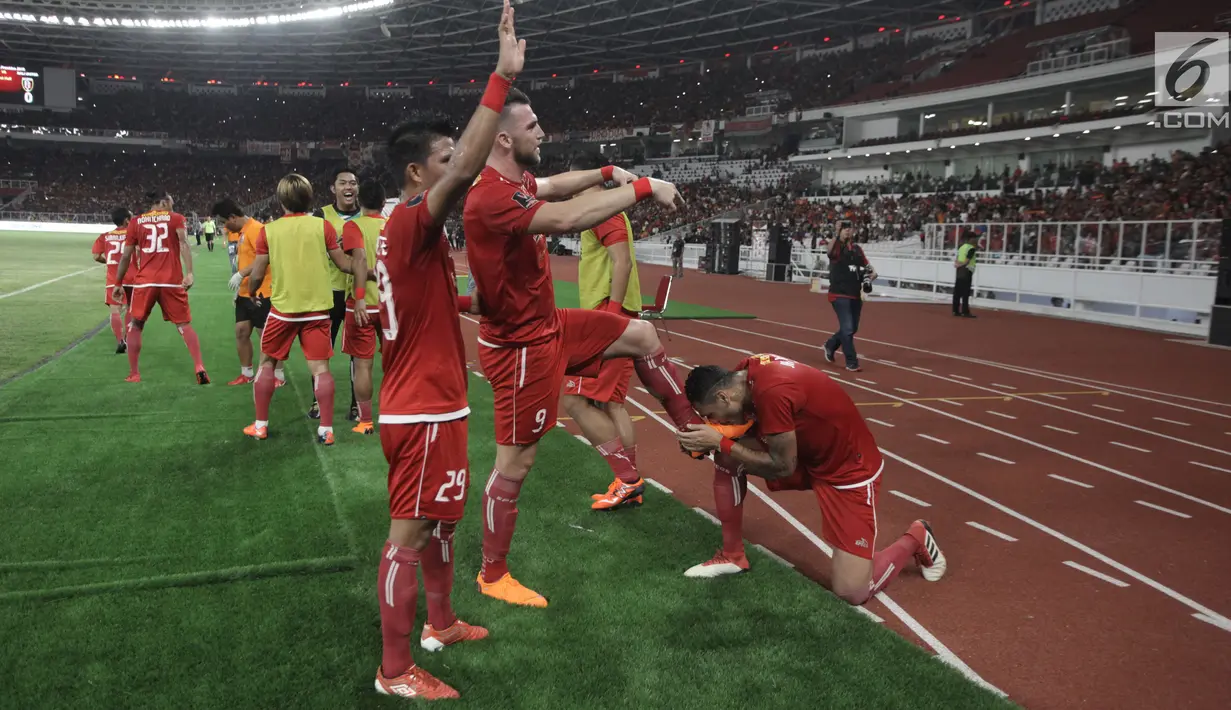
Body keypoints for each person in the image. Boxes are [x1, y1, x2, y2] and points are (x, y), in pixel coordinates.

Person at [464, 86, 701, 609]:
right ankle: (492, 572)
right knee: (515, 464)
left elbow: (554, 186)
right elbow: (567, 218)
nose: (543, 132)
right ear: (503, 138)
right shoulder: (489, 197)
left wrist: (604, 172)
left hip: (547, 325)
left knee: (642, 335)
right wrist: (641, 187)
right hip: (519, 349)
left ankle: (691, 430)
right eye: (533, 127)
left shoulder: (517, 179)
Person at [370, 2, 523, 699]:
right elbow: (464, 166)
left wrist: (465, 304)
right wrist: (499, 77)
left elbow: (412, 303)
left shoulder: (400, 229)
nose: (452, 166)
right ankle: (394, 669)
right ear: (413, 174)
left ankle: (439, 622)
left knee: (438, 527)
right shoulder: (409, 219)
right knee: (408, 536)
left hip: (433, 400)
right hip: (422, 408)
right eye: (437, 159)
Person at [676, 354, 946, 605]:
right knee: (726, 455)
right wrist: (708, 442)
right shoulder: (744, 375)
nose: (710, 420)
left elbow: (782, 466)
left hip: (847, 471)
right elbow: (750, 427)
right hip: (807, 452)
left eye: (709, 415)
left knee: (853, 591)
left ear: (723, 397)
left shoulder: (772, 391)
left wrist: (720, 442)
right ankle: (732, 555)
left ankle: (916, 538)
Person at [558, 153, 646, 510]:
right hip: (615, 313)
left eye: (575, 178)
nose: (572, 188)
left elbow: (621, 261)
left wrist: (609, 316)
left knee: (574, 399)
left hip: (609, 315)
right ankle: (628, 481)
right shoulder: (602, 209)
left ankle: (628, 479)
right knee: (612, 403)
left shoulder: (603, 208)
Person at [242, 174, 355, 446]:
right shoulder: (323, 227)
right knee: (320, 369)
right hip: (317, 310)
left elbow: (257, 274)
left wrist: (252, 291)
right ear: (309, 198)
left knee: (267, 363)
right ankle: (326, 429)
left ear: (281, 201)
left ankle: (260, 425)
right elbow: (344, 264)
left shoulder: (268, 231)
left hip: (283, 310)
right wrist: (368, 267)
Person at [113, 190, 209, 384]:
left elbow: (126, 256)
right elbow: (183, 244)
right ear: (163, 202)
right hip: (171, 280)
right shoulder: (176, 219)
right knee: (183, 325)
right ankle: (199, 366)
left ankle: (134, 373)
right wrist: (189, 272)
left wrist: (118, 283)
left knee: (136, 325)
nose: (173, 202)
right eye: (171, 199)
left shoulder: (135, 222)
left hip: (145, 281)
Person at [213, 198, 285, 388]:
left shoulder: (257, 229)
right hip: (246, 292)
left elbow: (265, 258)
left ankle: (278, 375)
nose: (224, 227)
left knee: (266, 335)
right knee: (241, 331)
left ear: (232, 217)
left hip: (263, 291)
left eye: (223, 222)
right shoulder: (242, 232)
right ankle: (247, 373)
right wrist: (239, 286)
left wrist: (241, 274)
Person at [310, 166, 362, 422]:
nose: (349, 187)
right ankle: (318, 402)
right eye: (343, 183)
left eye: (353, 183)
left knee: (357, 353)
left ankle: (356, 405)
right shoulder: (321, 215)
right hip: (329, 293)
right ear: (333, 188)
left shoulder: (368, 216)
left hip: (358, 295)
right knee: (321, 349)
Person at [339, 179, 387, 435]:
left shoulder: (353, 226)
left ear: (359, 200)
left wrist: (358, 297)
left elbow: (358, 259)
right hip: (390, 305)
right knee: (395, 363)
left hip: (362, 306)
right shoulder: (392, 225)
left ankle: (366, 421)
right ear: (382, 202)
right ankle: (395, 415)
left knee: (363, 365)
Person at [822, 226, 876, 373]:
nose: (847, 231)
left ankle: (831, 344)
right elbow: (829, 252)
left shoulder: (857, 250)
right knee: (847, 329)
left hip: (855, 295)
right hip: (839, 294)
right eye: (844, 228)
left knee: (852, 328)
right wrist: (836, 235)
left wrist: (870, 276)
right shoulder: (836, 248)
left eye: (849, 228)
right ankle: (851, 362)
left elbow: (869, 268)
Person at [91, 207, 134, 354]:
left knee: (115, 310)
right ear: (127, 220)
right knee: (130, 308)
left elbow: (96, 256)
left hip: (113, 278)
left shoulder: (105, 236)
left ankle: (119, 340)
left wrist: (109, 263)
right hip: (131, 277)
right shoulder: (133, 234)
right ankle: (128, 339)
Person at [954, 230, 978, 318]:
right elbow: (967, 261)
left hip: (959, 270)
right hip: (967, 271)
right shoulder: (971, 248)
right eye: (974, 238)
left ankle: (955, 310)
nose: (975, 240)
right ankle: (965, 311)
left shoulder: (961, 247)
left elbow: (957, 258)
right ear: (970, 239)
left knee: (957, 291)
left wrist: (957, 265)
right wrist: (961, 264)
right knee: (965, 292)